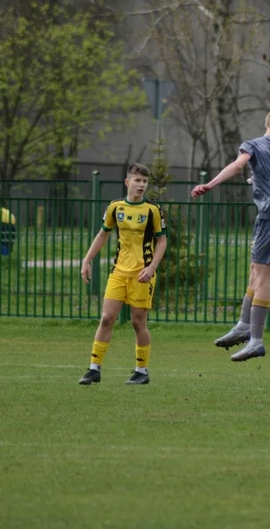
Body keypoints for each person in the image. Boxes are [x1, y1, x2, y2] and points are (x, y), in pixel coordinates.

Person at [193, 108, 270, 361]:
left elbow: (237, 166)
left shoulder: (253, 145)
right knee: (257, 269)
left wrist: (210, 184)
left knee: (262, 275)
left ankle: (256, 340)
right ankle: (244, 325)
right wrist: (260, 180)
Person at [78, 164, 166, 386]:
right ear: (127, 182)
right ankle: (94, 369)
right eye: (137, 180)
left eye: (145, 182)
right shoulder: (115, 208)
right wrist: (87, 260)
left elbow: (162, 240)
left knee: (138, 323)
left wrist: (152, 267)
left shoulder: (152, 210)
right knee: (107, 318)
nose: (141, 185)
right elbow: (102, 234)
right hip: (118, 272)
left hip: (142, 274)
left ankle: (142, 371)